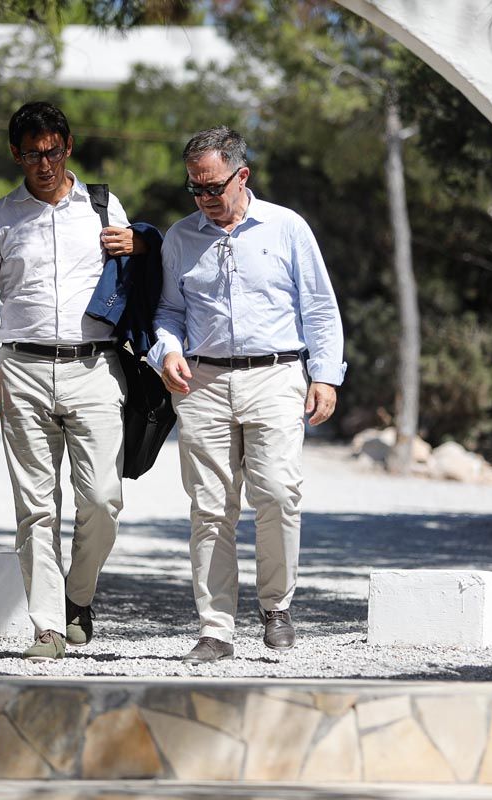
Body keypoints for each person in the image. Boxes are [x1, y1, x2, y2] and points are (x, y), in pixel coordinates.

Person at [148, 126, 346, 664]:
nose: (205, 199)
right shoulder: (181, 237)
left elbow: (321, 308)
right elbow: (168, 311)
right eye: (195, 189)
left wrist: (325, 375)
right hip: (203, 382)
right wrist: (165, 349)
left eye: (213, 187)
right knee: (210, 509)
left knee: (278, 493)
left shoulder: (287, 228)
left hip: (276, 374)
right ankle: (215, 628)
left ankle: (276, 606)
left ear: (242, 175)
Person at [0, 101, 144, 661]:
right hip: (23, 368)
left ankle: (77, 597)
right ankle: (48, 626)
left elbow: (141, 280)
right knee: (36, 506)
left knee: (103, 500)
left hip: (96, 367)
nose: (44, 162)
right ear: (16, 154)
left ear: (69, 146)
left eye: (53, 150)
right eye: (32, 153)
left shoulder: (104, 207)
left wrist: (135, 248)